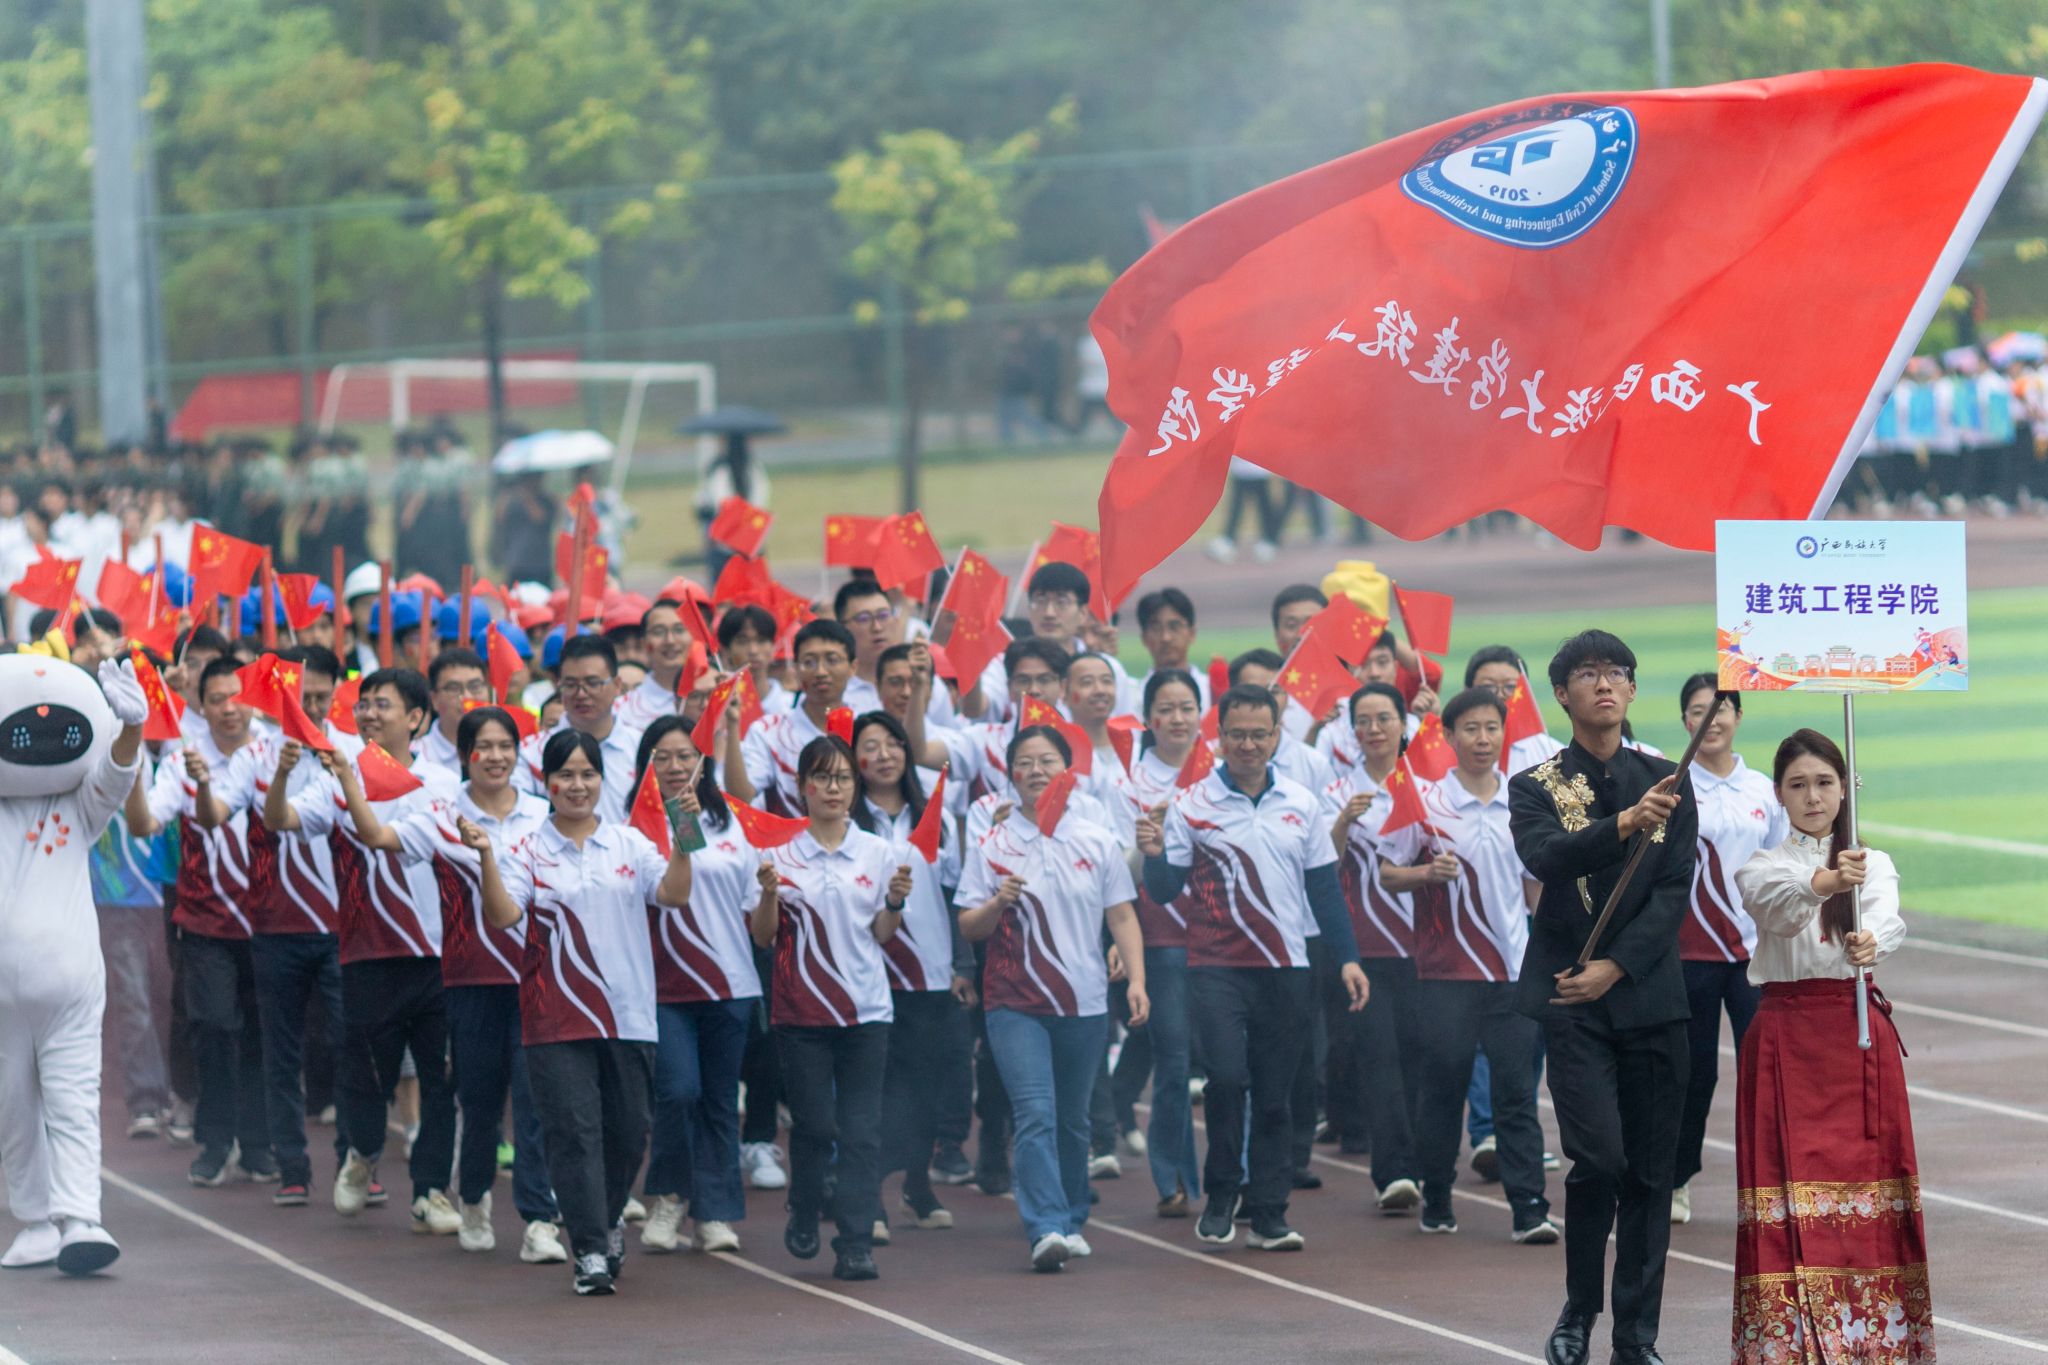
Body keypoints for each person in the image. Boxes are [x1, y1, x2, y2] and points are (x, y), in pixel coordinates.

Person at [1508, 631, 1697, 1365]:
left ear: (1633, 688)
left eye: (1617, 671)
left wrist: (1615, 965)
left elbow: (1673, 890)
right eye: (1588, 673)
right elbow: (1546, 857)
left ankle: (1635, 1337)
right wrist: (1622, 823)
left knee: (1651, 1176)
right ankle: (1580, 1307)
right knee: (1599, 1159)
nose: (1605, 683)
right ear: (1562, 693)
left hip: (1650, 997)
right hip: (1572, 1003)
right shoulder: (1536, 784)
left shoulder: (1668, 779)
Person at [326, 704, 566, 1262]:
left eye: (506, 746)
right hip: (470, 980)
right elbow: (376, 835)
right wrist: (345, 778)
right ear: (464, 756)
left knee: (533, 1101)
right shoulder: (441, 814)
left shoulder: (541, 815)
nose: (497, 757)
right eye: (485, 747)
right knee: (479, 1103)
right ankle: (475, 1199)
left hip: (535, 982)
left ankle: (539, 1220)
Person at [1138, 683, 1369, 1253]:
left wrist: (1347, 958)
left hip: (1286, 967)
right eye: (1236, 734)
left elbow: (1324, 889)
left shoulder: (1301, 802)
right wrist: (1153, 852)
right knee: (1226, 1078)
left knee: (1274, 1095)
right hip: (1216, 968)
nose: (1247, 744)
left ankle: (1268, 1211)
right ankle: (1221, 1195)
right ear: (1218, 737)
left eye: (1258, 735)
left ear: (1275, 737)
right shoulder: (1192, 804)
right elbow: (1165, 890)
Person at [469, 728, 696, 1295]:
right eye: (565, 775)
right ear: (546, 782)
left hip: (627, 1014)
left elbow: (673, 895)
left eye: (587, 774)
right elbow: (502, 916)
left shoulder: (628, 844)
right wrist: (487, 858)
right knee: (573, 1133)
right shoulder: (527, 849)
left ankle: (608, 1218)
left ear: (601, 779)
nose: (577, 785)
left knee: (628, 1134)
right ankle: (591, 1250)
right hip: (555, 1015)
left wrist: (686, 833)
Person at [1731, 728, 1928, 1363]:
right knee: (1785, 1196)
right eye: (1798, 785)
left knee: (1868, 1190)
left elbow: (1886, 920)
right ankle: (1790, 1347)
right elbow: (1779, 910)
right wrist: (1826, 881)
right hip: (1786, 1036)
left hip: (1857, 1033)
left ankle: (1872, 1343)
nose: (1813, 797)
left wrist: (1873, 942)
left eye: (1824, 782)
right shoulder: (1761, 867)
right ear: (1779, 795)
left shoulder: (1876, 864)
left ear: (1847, 789)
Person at [264, 667, 463, 1234]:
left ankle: (430, 1191)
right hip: (366, 953)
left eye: (384, 705)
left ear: (416, 718)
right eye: (365, 704)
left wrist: (348, 778)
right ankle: (362, 1153)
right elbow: (279, 820)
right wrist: (283, 775)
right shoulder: (334, 781)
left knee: (439, 1080)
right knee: (366, 1076)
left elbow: (378, 835)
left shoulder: (438, 782)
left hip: (436, 954)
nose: (370, 714)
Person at [958, 726, 1146, 1272]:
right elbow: (969, 925)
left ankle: (1071, 1217)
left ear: (1068, 772)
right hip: (1013, 1003)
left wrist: (1136, 980)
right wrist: (997, 903)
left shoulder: (1095, 839)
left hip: (1083, 1002)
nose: (1036, 771)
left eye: (1047, 761)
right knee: (1035, 1113)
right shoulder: (993, 844)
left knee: (1072, 1120)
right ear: (1010, 774)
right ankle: (1044, 1227)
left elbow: (1122, 915)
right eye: (1025, 762)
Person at [1377, 689, 1556, 1242]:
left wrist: (1558, 945)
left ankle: (1529, 1207)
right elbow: (1387, 873)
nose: (1483, 739)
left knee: (1516, 1093)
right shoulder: (1424, 800)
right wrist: (1425, 874)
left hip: (1511, 973)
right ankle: (1436, 1195)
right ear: (1450, 736)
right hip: (1445, 974)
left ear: (1504, 734)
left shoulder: (1523, 803)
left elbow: (1535, 888)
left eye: (1492, 728)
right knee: (1443, 1089)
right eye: (1471, 729)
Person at [0, 656, 145, 1275]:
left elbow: (114, 777)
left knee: (73, 1098)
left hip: (71, 986)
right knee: (12, 1108)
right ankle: (35, 1220)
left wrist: (131, 728)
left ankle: (81, 1217)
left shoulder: (79, 807)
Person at [749, 736, 914, 1283]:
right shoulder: (778, 852)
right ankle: (804, 1205)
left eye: (843, 778)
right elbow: (763, 936)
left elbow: (883, 933)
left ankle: (855, 1242)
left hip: (866, 1011)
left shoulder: (877, 851)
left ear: (855, 785)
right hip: (800, 1014)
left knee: (862, 1132)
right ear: (802, 787)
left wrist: (894, 901)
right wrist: (768, 893)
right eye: (822, 778)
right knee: (816, 1125)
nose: (833, 788)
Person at [212, 648, 358, 1209]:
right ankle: (292, 1168)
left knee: (349, 1045)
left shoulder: (349, 752)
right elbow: (216, 812)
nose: (312, 707)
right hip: (276, 926)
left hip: (343, 927)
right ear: (281, 696)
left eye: (321, 696)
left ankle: (355, 1161)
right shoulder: (254, 755)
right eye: (303, 698)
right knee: (281, 1054)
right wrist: (203, 786)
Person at [125, 657, 277, 1188]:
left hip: (269, 923)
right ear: (201, 706)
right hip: (206, 923)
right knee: (213, 1029)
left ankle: (257, 1145)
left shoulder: (275, 751)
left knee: (260, 1034)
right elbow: (144, 823)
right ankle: (215, 1142)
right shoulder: (182, 761)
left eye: (237, 698)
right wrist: (133, 769)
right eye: (216, 700)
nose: (229, 709)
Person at [635, 717, 756, 1258]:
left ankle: (715, 1212)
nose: (674, 766)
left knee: (719, 1102)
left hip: (729, 982)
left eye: (685, 756)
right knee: (678, 1092)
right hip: (661, 986)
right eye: (661, 757)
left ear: (703, 762)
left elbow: (753, 903)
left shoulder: (732, 824)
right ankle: (668, 1196)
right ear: (645, 765)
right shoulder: (634, 826)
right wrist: (678, 820)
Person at [850, 711, 970, 1242]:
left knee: (925, 1091)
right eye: (870, 746)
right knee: (874, 1093)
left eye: (893, 743)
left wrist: (963, 966)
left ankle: (917, 1186)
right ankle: (868, 1194)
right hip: (867, 974)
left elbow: (957, 894)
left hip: (929, 976)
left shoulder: (935, 818)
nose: (884, 755)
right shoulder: (849, 823)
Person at [1670, 675, 1784, 1226]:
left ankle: (1766, 1185)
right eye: (1698, 711)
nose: (1710, 720)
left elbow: (1783, 864)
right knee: (1693, 1076)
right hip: (1689, 956)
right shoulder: (1671, 788)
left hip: (1753, 957)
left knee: (1762, 1072)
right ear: (1685, 722)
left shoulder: (1763, 790)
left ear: (1738, 717)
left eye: (1720, 709)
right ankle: (1676, 1180)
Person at [1322, 683, 1423, 1207]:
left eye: (1384, 718)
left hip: (1429, 946)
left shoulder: (1427, 784)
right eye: (1363, 720)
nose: (1374, 729)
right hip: (1368, 948)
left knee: (1425, 1060)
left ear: (1404, 724)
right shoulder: (1337, 791)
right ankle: (1393, 1173)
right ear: (1352, 731)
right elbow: (1320, 865)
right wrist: (1342, 821)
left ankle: (1426, 1162)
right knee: (1380, 1058)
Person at [1111, 669, 1204, 1217]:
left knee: (1229, 1067)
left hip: (1225, 938)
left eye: (1186, 707)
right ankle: (1172, 1179)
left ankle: (1233, 1174)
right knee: (1173, 1063)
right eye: (1165, 709)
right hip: (1163, 938)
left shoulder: (1219, 770)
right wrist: (1151, 840)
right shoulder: (1129, 784)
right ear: (1149, 718)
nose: (1177, 718)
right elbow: (1116, 870)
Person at [728, 620, 858, 818]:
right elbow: (741, 796)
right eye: (809, 662)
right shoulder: (769, 731)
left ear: (853, 667)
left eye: (832, 660)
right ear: (795, 668)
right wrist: (732, 725)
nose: (821, 672)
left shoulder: (868, 729)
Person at [517, 635, 644, 824]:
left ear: (617, 685)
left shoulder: (643, 748)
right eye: (570, 685)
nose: (581, 694)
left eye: (593, 683)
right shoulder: (531, 753)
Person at [416, 648, 491, 775]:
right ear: (434, 699)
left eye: (475, 686)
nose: (467, 697)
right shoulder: (417, 756)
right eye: (454, 688)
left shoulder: (509, 751)